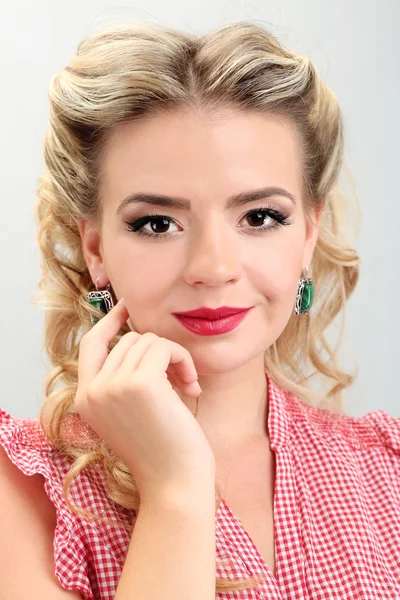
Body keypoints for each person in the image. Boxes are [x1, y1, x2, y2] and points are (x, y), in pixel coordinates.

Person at [0, 19, 399, 600]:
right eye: (157, 223)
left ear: (309, 235)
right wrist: (174, 488)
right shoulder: (23, 490)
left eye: (261, 217)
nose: (212, 267)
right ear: (96, 249)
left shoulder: (387, 473)